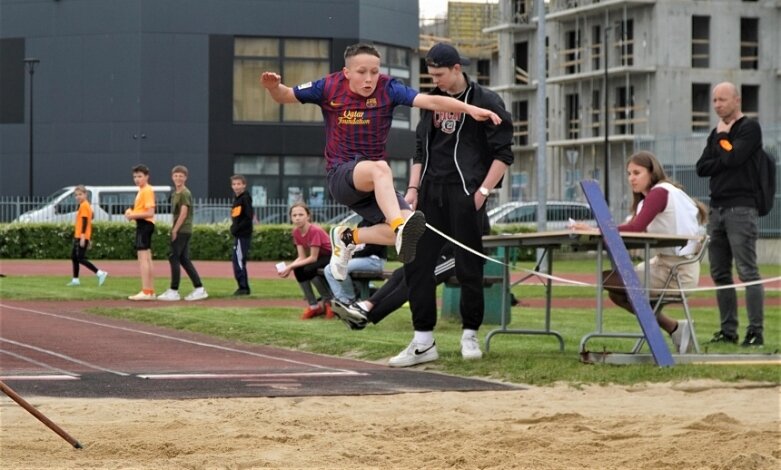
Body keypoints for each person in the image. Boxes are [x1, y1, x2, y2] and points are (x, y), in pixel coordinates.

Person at [259, 43, 502, 286]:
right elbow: (286, 95)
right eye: (362, 72)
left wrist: (469, 109)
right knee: (383, 175)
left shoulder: (389, 88)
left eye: (374, 72)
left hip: (375, 185)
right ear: (347, 73)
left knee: (414, 227)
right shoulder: (329, 86)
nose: (369, 79)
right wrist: (273, 87)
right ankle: (398, 227)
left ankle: (347, 237)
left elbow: (433, 102)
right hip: (342, 175)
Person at [389, 43, 514, 367]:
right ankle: (423, 341)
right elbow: (420, 149)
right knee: (415, 262)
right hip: (430, 194)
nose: (437, 81)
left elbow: (503, 154)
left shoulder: (486, 101)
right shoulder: (431, 103)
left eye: (440, 75)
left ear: (457, 69)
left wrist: (482, 192)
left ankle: (469, 334)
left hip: (465, 194)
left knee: (468, 267)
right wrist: (413, 188)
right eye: (431, 75)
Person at [575, 151, 707, 354]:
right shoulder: (661, 194)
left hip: (676, 272)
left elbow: (636, 228)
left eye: (637, 173)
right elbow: (632, 226)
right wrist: (600, 230)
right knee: (615, 287)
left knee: (611, 280)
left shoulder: (659, 193)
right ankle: (674, 328)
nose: (631, 178)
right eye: (629, 174)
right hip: (668, 265)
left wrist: (596, 230)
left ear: (651, 172)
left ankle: (673, 329)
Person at [695, 81, 765, 347]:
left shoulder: (749, 128)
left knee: (747, 271)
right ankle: (728, 331)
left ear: (737, 100)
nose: (717, 105)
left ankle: (755, 331)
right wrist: (723, 149)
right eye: (714, 100)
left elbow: (735, 158)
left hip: (740, 208)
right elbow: (702, 167)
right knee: (720, 273)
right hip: (717, 209)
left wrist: (723, 140)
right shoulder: (715, 132)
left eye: (722, 100)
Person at [332, 243, 455, 331]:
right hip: (435, 254)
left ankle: (363, 318)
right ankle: (366, 306)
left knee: (412, 283)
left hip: (454, 259)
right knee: (399, 274)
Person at [157, 165, 208, 302]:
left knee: (173, 257)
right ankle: (199, 288)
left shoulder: (185, 193)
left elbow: (184, 213)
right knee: (184, 259)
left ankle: (174, 291)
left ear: (185, 177)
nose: (178, 178)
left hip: (182, 230)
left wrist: (175, 230)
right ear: (172, 177)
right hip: (181, 229)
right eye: (176, 176)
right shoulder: (175, 193)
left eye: (181, 176)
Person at [278, 202, 334, 319]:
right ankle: (313, 306)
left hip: (331, 256)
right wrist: (290, 267)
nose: (297, 218)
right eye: (294, 215)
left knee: (309, 269)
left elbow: (312, 258)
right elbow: (302, 257)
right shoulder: (296, 232)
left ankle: (329, 303)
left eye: (301, 214)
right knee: (298, 270)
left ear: (308, 216)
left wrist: (290, 267)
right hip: (318, 257)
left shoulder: (314, 230)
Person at [326, 219, 388, 311]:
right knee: (328, 269)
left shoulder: (379, 223)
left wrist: (352, 255)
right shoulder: (361, 223)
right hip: (361, 260)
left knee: (341, 267)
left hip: (375, 261)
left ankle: (350, 300)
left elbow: (374, 248)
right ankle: (341, 300)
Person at [124, 164, 156, 300]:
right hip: (144, 224)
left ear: (147, 177)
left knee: (143, 258)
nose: (137, 179)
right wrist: (132, 212)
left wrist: (132, 215)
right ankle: (150, 290)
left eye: (140, 176)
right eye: (135, 176)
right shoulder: (142, 190)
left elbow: (149, 212)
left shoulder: (147, 190)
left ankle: (146, 291)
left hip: (144, 225)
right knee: (147, 258)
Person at [66, 185, 108, 287]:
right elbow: (91, 217)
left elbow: (85, 221)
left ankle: (100, 273)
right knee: (74, 257)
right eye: (76, 195)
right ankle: (75, 280)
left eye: (80, 194)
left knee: (80, 258)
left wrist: (83, 236)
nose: (78, 197)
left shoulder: (84, 205)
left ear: (85, 194)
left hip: (81, 236)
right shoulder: (85, 205)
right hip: (79, 235)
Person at [230, 174, 253, 296]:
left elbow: (248, 217)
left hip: (242, 235)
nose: (236, 186)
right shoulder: (237, 199)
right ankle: (242, 286)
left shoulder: (245, 198)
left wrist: (237, 228)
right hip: (238, 235)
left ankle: (243, 287)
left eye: (239, 184)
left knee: (238, 260)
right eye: (234, 184)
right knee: (237, 260)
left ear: (244, 185)